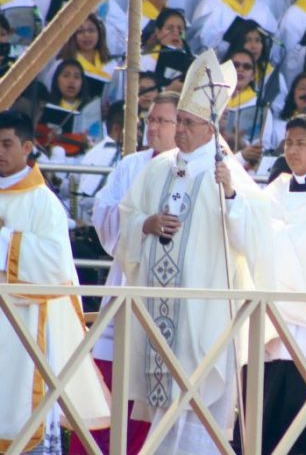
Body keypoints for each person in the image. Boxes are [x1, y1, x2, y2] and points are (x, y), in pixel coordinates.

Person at [116, 50, 272, 454]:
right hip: (160, 315)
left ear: (210, 129)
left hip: (205, 317)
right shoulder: (157, 168)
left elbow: (254, 237)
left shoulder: (227, 172)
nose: (180, 130)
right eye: (179, 121)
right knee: (167, 415)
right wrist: (145, 224)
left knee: (199, 413)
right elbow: (127, 218)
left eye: (189, 123)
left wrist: (232, 195)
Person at [69, 92, 180, 455]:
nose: (154, 127)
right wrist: (140, 224)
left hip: (167, 297)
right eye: (151, 120)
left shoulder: (190, 170)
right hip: (126, 284)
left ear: (182, 126)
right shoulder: (131, 165)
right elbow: (104, 215)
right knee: (109, 383)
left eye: (163, 121)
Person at [0, 110, 110, 452]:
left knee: (22, 418)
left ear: (28, 147)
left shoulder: (44, 202)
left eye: (6, 144)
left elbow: (55, 266)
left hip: (25, 329)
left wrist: (4, 241)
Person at [262, 115, 306, 455]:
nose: (292, 150)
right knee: (272, 405)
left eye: (301, 143)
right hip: (276, 316)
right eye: (288, 143)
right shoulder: (273, 191)